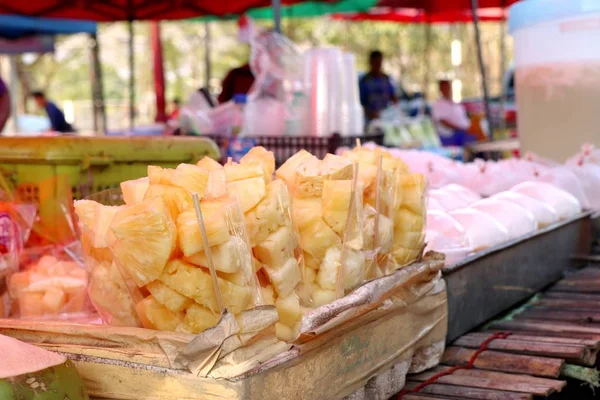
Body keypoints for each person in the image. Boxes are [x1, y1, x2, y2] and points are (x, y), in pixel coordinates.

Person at [431, 80, 476, 147]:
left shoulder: (452, 102)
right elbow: (443, 121)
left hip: (463, 132)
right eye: (444, 87)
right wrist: (460, 129)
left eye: (448, 87)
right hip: (452, 136)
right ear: (440, 89)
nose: (447, 89)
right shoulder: (438, 104)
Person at [359, 50, 398, 123]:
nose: (378, 65)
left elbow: (394, 98)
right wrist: (371, 114)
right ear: (370, 62)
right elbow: (360, 103)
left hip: (387, 118)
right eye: (375, 63)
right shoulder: (364, 81)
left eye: (379, 62)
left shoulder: (386, 79)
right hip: (370, 119)